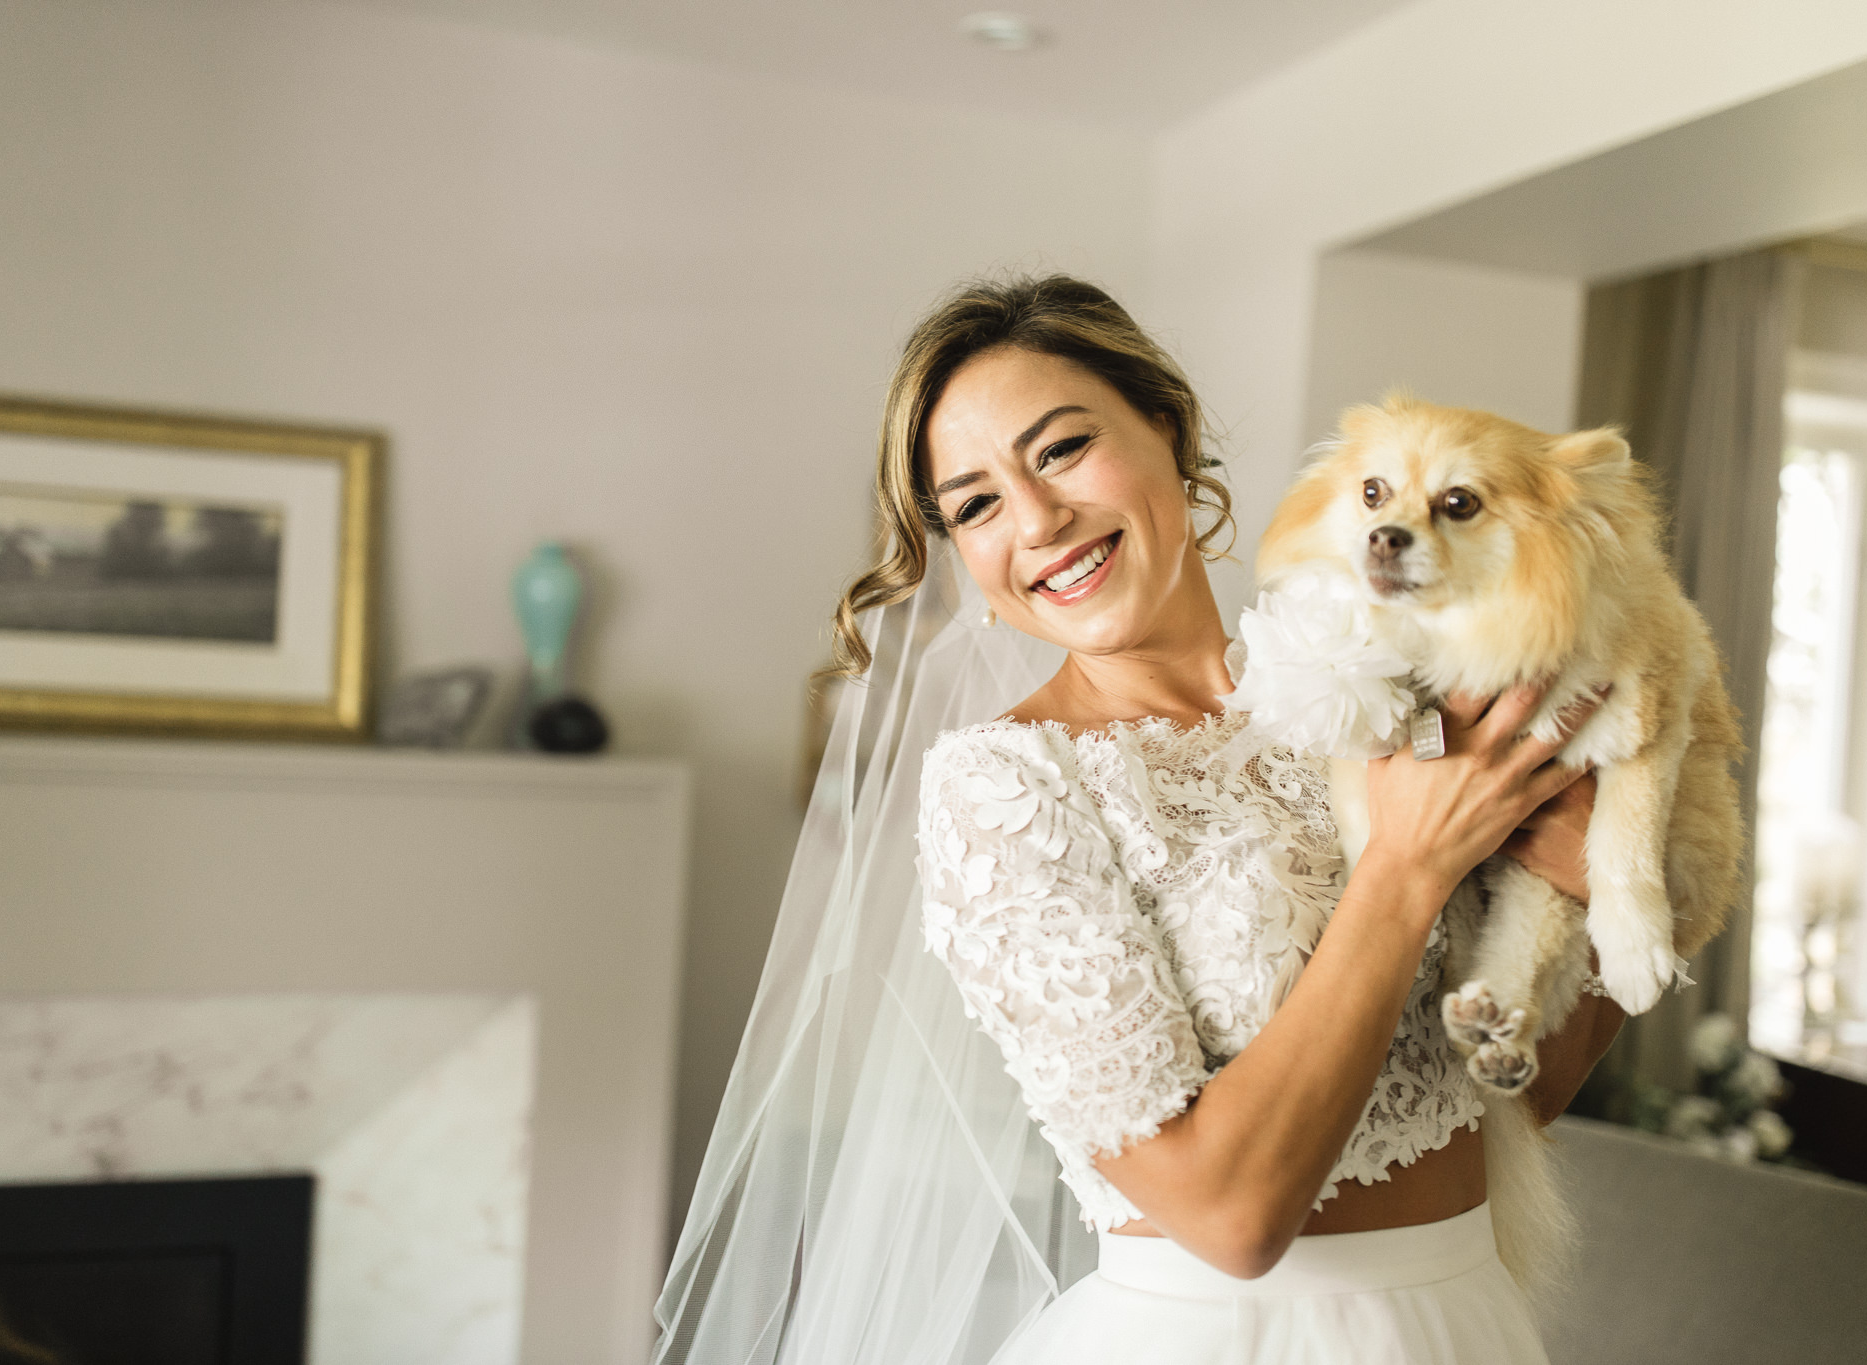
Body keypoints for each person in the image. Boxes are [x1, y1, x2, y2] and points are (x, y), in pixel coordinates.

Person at [652, 275, 1625, 1365]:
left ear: (1168, 429)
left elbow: (1500, 1100)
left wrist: (1593, 879)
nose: (1035, 520)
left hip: (1458, 1325)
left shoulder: (1380, 680)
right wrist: (1402, 871)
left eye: (1060, 450)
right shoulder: (1003, 792)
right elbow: (1225, 1217)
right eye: (973, 504)